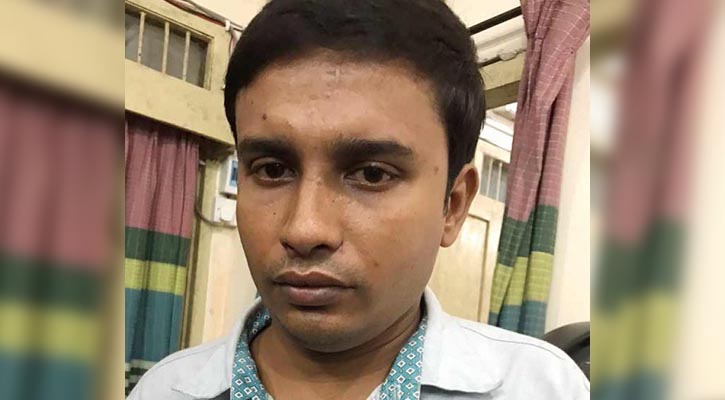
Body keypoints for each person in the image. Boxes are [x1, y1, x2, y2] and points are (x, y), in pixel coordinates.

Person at [128, 0, 589, 399]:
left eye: (371, 174)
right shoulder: (164, 390)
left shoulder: (543, 388)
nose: (304, 229)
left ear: (452, 205)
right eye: (272, 169)